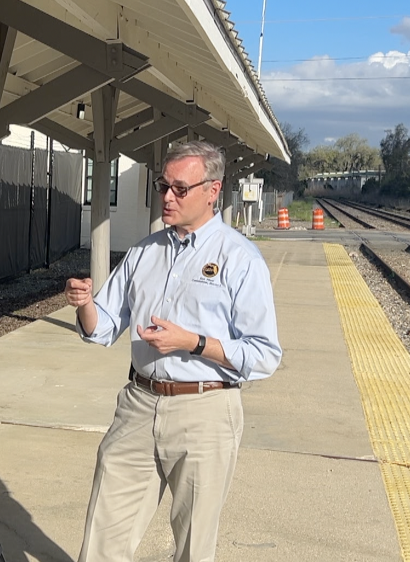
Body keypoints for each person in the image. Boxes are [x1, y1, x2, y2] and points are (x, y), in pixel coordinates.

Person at [64, 140, 282, 562]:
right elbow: (104, 327)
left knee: (192, 547)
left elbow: (264, 354)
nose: (167, 197)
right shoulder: (144, 252)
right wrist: (85, 304)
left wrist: (193, 342)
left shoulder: (239, 258)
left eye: (180, 189)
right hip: (138, 405)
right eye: (163, 186)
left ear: (212, 191)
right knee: (102, 537)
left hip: (206, 411)